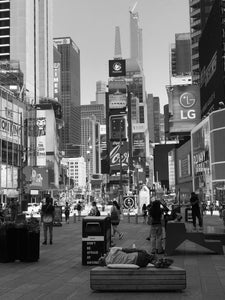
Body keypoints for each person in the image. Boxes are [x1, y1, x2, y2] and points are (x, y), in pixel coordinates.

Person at [98, 247, 173, 268]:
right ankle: (157, 261)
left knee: (147, 260)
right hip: (137, 256)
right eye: (102, 256)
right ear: (102, 258)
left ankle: (155, 262)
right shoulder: (112, 251)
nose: (104, 255)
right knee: (150, 256)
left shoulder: (108, 264)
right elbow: (128, 250)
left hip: (138, 263)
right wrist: (141, 250)